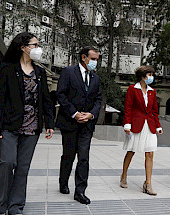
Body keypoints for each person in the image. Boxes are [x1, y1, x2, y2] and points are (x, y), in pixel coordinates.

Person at [0, 32, 54, 215]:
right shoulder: (8, 69)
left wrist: (49, 123)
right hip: (9, 125)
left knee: (22, 168)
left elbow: (46, 100)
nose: (37, 48)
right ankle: (1, 205)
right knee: (7, 162)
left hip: (32, 127)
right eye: (34, 45)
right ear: (23, 47)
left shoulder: (40, 72)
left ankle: (16, 206)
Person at [56, 46, 102, 205]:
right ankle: (63, 182)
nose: (95, 62)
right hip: (69, 122)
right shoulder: (68, 72)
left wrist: (91, 114)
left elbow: (98, 100)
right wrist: (74, 114)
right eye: (93, 59)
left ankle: (80, 191)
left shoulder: (95, 78)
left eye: (97, 59)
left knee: (83, 158)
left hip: (87, 125)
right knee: (68, 155)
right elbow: (60, 95)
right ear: (84, 57)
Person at [120, 65, 163, 195]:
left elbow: (155, 110)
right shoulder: (133, 89)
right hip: (135, 125)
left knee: (150, 154)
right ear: (142, 76)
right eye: (149, 75)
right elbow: (128, 108)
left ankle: (148, 183)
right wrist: (127, 124)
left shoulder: (152, 91)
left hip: (149, 125)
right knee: (131, 151)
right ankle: (124, 175)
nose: (151, 77)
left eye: (152, 74)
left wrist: (158, 126)